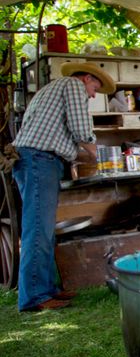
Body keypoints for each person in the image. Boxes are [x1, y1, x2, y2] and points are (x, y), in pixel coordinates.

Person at [12, 62, 116, 312]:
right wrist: (93, 150)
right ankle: (35, 296)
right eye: (94, 88)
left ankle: (47, 290)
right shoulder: (72, 85)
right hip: (39, 160)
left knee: (43, 229)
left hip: (36, 159)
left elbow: (56, 135)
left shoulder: (49, 89)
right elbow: (80, 128)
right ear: (86, 78)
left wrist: (74, 155)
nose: (92, 95)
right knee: (38, 230)